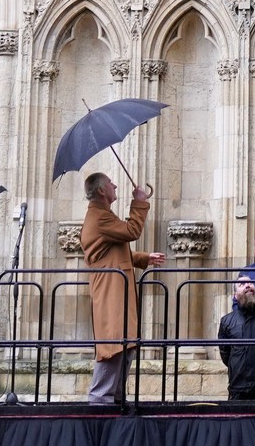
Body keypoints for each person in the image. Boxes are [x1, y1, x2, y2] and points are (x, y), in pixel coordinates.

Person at [80, 173, 164, 406]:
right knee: (113, 345)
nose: (115, 185)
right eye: (110, 183)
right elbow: (131, 231)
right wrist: (138, 201)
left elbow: (115, 252)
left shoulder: (103, 216)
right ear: (101, 191)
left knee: (125, 343)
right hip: (110, 291)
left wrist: (145, 258)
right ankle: (100, 402)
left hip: (117, 289)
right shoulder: (99, 217)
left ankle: (115, 400)